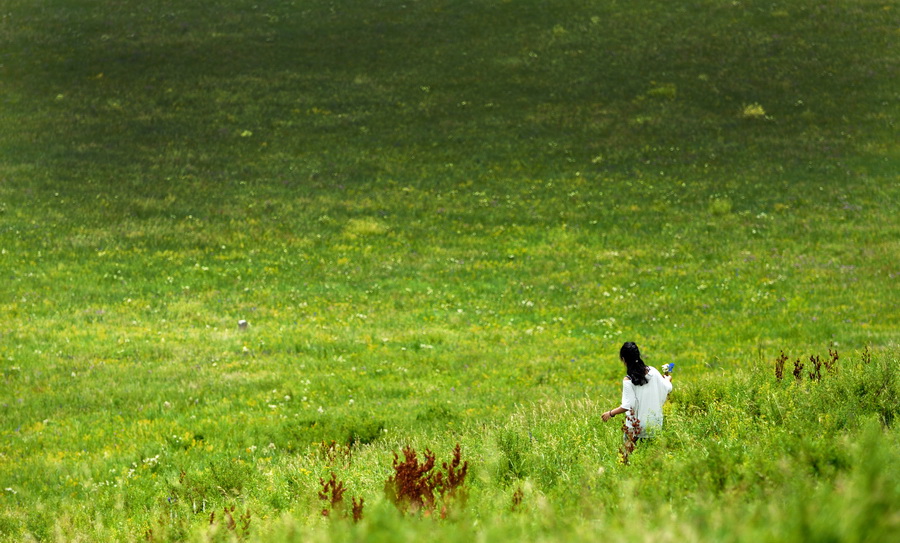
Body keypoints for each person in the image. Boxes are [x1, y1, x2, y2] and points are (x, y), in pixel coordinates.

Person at [601, 342, 673, 440]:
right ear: (638, 355)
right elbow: (667, 388)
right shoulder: (653, 371)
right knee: (652, 455)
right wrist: (667, 379)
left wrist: (610, 413)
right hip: (654, 425)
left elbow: (629, 405)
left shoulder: (628, 380)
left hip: (636, 428)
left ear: (623, 359)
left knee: (629, 454)